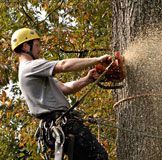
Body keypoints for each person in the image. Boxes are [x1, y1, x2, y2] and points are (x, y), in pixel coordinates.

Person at [11, 28, 110, 160]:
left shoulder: (33, 72)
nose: (39, 50)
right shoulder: (31, 67)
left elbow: (65, 88)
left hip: (59, 125)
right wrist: (97, 60)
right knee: (99, 157)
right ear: (25, 46)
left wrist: (87, 79)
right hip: (62, 124)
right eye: (36, 45)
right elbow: (63, 65)